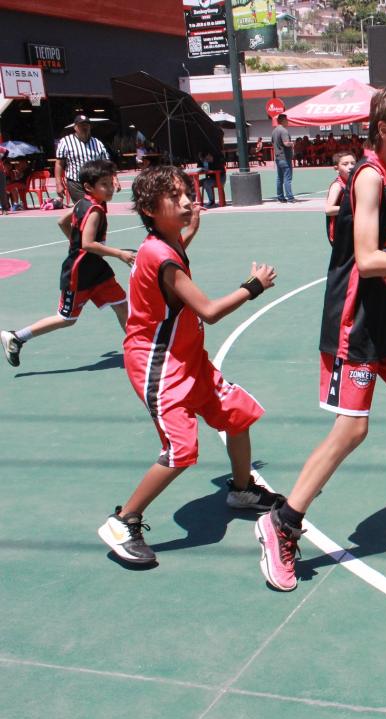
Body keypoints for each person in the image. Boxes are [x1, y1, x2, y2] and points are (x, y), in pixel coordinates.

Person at [255, 84, 386, 593]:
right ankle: (282, 522)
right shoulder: (370, 177)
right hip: (359, 323)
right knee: (352, 430)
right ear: (383, 132)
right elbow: (369, 260)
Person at [96, 165, 280, 564]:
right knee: (180, 450)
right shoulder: (161, 255)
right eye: (175, 197)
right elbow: (209, 311)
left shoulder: (166, 241)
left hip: (188, 357)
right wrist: (254, 286)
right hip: (160, 365)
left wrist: (189, 228)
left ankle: (242, 488)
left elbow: (176, 254)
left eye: (186, 193)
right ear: (148, 207)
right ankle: (123, 520)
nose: (186, 201)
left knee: (237, 415)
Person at [1, 160, 135, 368]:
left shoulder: (84, 202)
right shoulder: (95, 210)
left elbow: (62, 221)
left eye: (111, 183)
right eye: (105, 184)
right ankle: (17, 337)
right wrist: (120, 254)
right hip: (79, 274)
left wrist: (75, 243)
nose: (110, 189)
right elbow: (88, 243)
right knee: (66, 319)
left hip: (97, 270)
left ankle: (138, 350)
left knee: (121, 305)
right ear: (89, 187)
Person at [55, 114, 112, 206]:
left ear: (90, 127)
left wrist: (114, 179)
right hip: (76, 183)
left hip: (95, 182)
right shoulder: (65, 142)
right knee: (85, 208)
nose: (84, 127)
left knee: (100, 208)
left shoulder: (97, 143)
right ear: (75, 127)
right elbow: (59, 164)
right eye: (81, 125)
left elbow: (106, 162)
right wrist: (58, 183)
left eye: (86, 125)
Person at [323, 150, 356, 244]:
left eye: (353, 163)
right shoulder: (337, 186)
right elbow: (328, 210)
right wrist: (353, 207)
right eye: (345, 164)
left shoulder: (354, 182)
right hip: (341, 233)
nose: (350, 167)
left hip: (352, 229)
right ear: (336, 168)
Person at [272, 113, 296, 203]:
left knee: (279, 178)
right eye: (287, 120)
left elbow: (273, 143)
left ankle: (280, 197)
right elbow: (286, 143)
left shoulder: (274, 131)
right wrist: (292, 143)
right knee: (287, 178)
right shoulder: (284, 131)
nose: (288, 122)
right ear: (283, 120)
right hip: (285, 157)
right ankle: (290, 197)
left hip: (278, 157)